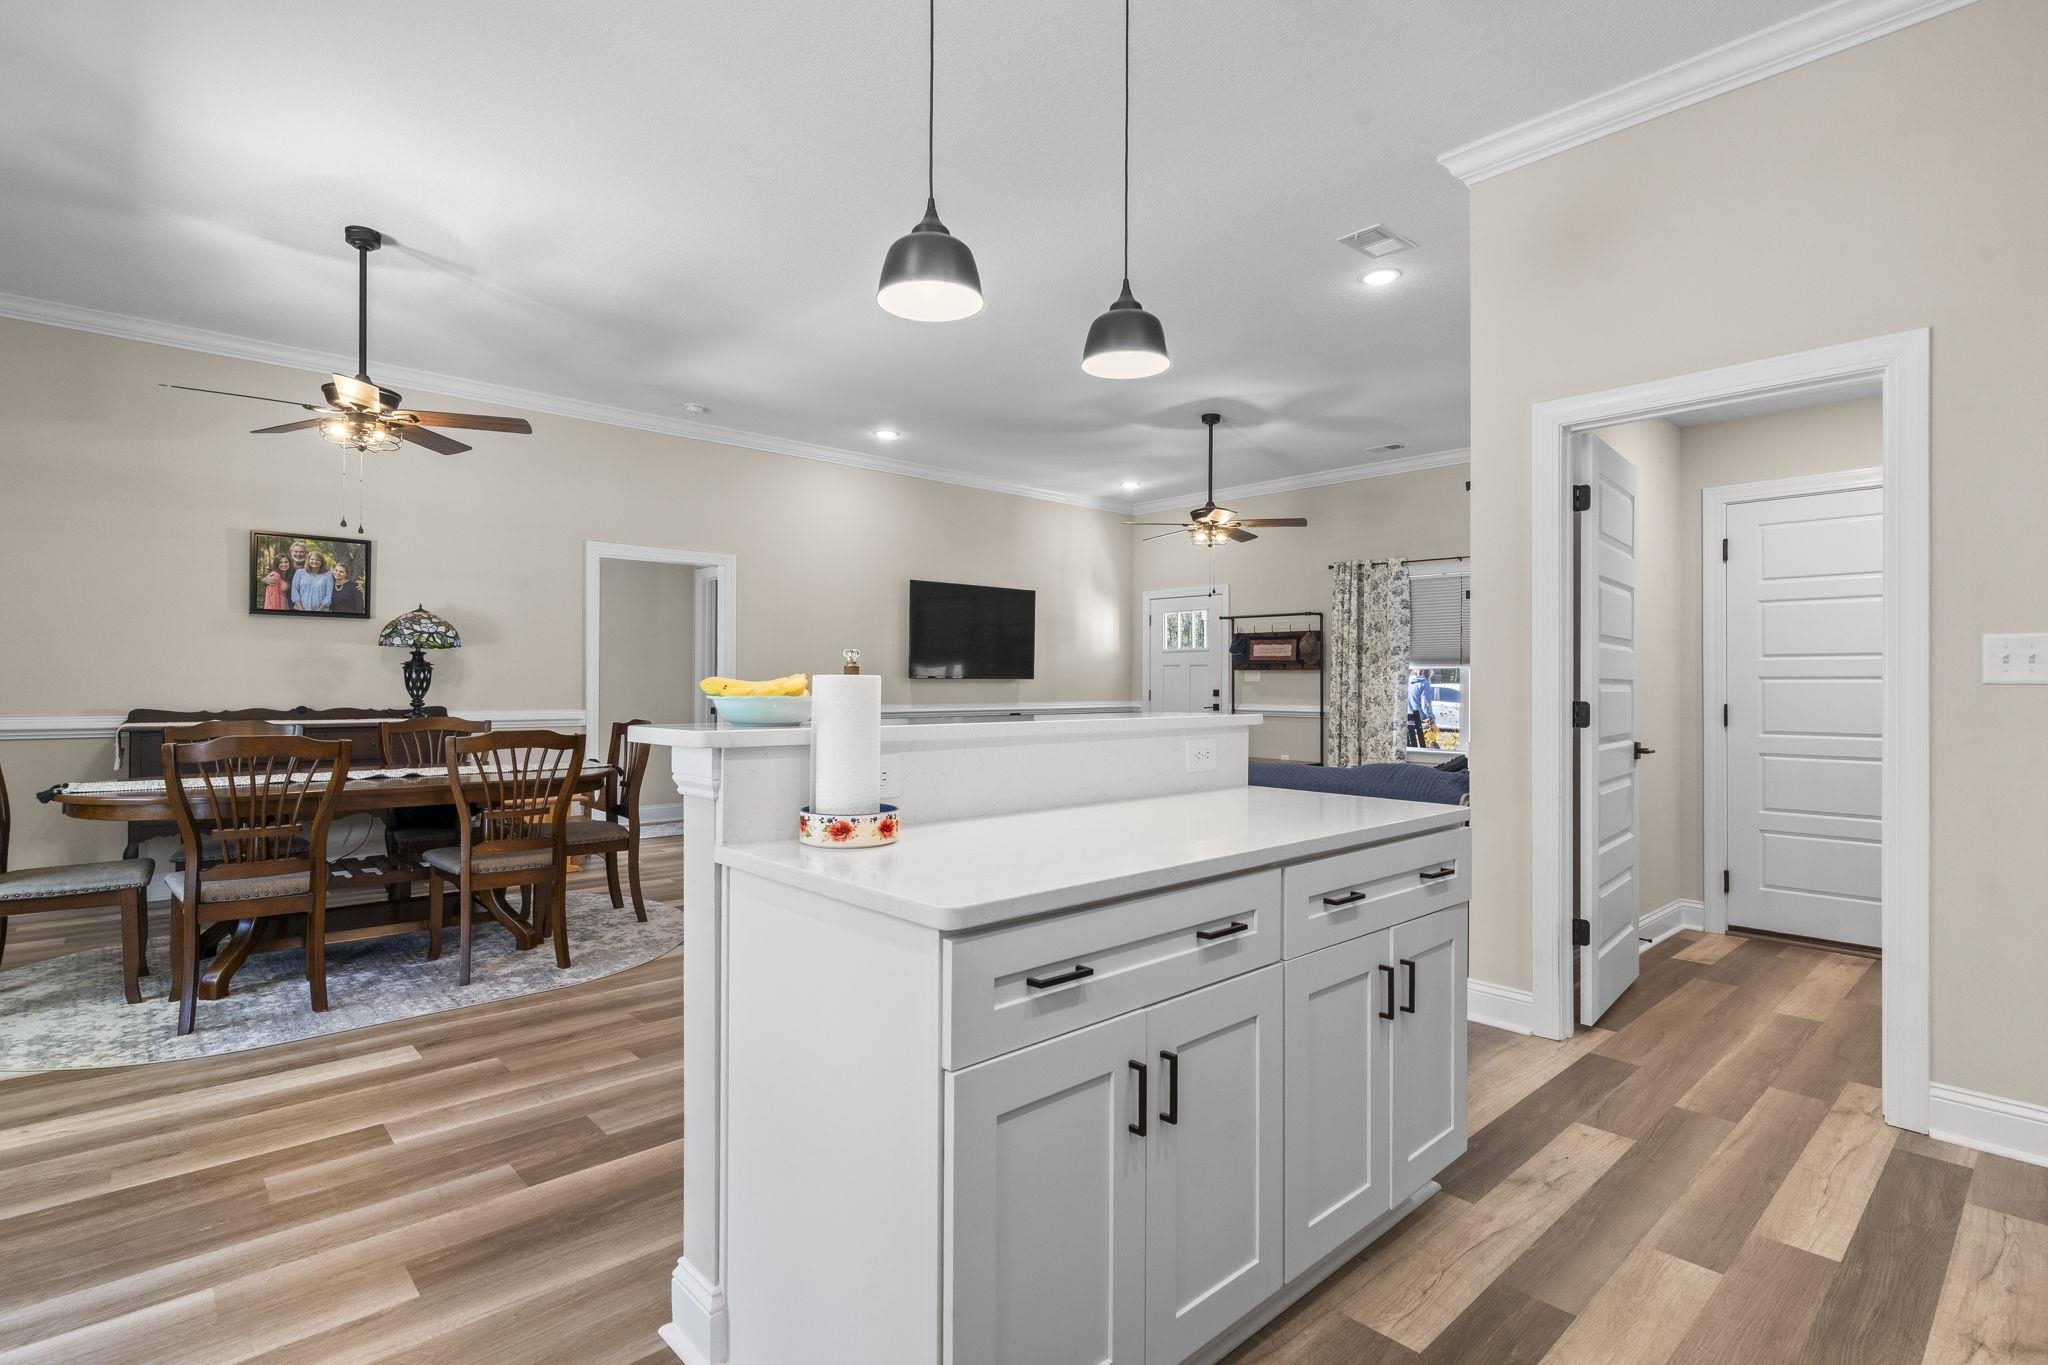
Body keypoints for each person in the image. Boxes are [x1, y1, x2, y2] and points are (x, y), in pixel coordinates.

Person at [1406, 670, 1435, 748]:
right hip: (1420, 722)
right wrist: (1432, 719)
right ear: (1427, 674)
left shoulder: (1406, 682)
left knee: (1411, 746)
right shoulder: (1425, 683)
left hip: (1407, 722)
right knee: (1433, 745)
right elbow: (1426, 705)